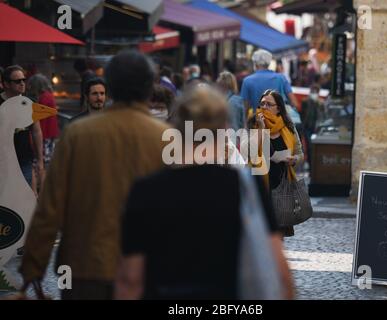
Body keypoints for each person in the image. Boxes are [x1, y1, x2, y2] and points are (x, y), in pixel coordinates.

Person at [115, 86, 295, 300]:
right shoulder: (247, 188)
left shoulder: (146, 190)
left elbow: (130, 279)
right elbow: (280, 274)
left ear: (177, 128)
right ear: (225, 128)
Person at [20, 50, 171, 300]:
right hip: (143, 270)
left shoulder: (78, 134)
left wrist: (32, 267)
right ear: (148, 88)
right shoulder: (165, 138)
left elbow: (51, 207)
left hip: (84, 267)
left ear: (110, 87)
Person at [245, 90, 304, 237]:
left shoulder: (288, 127)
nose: (264, 107)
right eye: (262, 103)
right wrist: (262, 129)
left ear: (278, 108)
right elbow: (248, 150)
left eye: (269, 104)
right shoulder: (254, 123)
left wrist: (295, 159)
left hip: (281, 185)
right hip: (260, 184)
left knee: (278, 234)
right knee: (261, 232)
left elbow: (299, 153)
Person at [0, 65, 44, 190]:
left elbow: (36, 131)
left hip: (24, 160)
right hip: (3, 162)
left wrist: (40, 161)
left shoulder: (30, 102)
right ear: (6, 84)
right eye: (17, 81)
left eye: (24, 80)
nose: (22, 83)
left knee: (24, 200)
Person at [240, 50, 299, 115]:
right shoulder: (281, 78)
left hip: (258, 122)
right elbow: (294, 103)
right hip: (278, 122)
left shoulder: (247, 81)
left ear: (255, 63)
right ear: (269, 63)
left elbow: (245, 108)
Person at [26, 74, 59, 169]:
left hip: (45, 133)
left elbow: (42, 120)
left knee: (41, 163)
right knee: (46, 161)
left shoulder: (44, 98)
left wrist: (33, 139)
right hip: (50, 132)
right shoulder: (49, 95)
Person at [300, 84, 325, 170]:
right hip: (307, 127)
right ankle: (310, 164)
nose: (314, 93)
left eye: (316, 91)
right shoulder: (305, 101)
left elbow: (323, 116)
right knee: (309, 146)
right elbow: (302, 115)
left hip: (317, 128)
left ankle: (314, 165)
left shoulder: (321, 103)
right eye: (312, 91)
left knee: (315, 147)